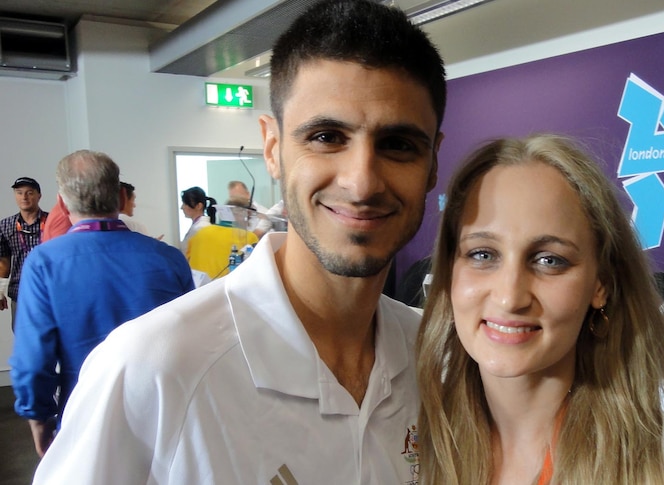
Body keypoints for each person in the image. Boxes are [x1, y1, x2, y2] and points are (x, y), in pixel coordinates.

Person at [31, 0, 446, 483]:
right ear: (273, 149)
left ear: (433, 161)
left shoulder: (436, 355)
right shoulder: (151, 368)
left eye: (398, 144)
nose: (362, 182)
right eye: (327, 136)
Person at [416, 135, 664, 484]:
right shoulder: (408, 440)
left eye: (549, 260)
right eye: (482, 254)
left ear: (600, 284)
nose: (509, 297)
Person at [9, 149, 195, 458]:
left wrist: (40, 421)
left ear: (63, 203)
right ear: (122, 197)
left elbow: (33, 361)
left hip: (85, 416)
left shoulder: (44, 263)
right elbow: (193, 342)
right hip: (165, 417)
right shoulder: (169, 258)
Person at [0, 176, 48, 331]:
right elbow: (3, 261)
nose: (24, 197)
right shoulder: (5, 225)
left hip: (49, 292)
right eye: (19, 193)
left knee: (53, 340)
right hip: (19, 293)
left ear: (38, 195)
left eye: (29, 192)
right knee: (23, 339)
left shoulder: (52, 222)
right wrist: (0, 290)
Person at [186, 198, 260, 280]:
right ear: (241, 215)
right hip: (224, 290)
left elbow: (188, 260)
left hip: (196, 290)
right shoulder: (249, 238)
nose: (249, 222)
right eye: (249, 218)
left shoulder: (200, 233)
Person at [179, 185, 216, 255]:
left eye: (185, 204)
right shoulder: (198, 226)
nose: (182, 207)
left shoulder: (201, 228)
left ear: (199, 206)